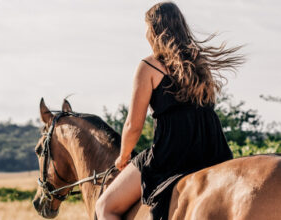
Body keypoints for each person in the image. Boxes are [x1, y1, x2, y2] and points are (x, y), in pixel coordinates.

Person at [95, 2, 245, 220]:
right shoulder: (200, 63)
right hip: (212, 150)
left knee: (105, 207)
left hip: (172, 154)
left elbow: (133, 126)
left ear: (155, 29)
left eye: (146, 27)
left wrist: (124, 156)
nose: (145, 33)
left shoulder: (150, 66)